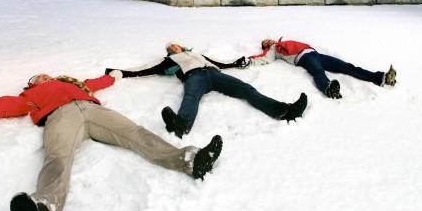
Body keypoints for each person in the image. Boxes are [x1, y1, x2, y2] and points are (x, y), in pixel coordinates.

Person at [0, 73, 223, 211]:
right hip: (60, 117)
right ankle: (44, 207)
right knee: (57, 157)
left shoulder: (72, 83)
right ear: (31, 85)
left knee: (137, 134)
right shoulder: (28, 97)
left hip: (95, 111)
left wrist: (114, 76)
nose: (42, 77)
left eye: (44, 74)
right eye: (36, 78)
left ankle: (190, 159)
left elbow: (97, 82)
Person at [105, 42, 308, 139]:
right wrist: (120, 72)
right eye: (170, 48)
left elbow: (219, 63)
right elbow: (145, 69)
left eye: (175, 46)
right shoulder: (169, 61)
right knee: (191, 95)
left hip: (214, 73)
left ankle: (283, 110)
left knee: (246, 89)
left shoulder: (199, 55)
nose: (173, 48)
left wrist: (236, 62)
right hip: (195, 77)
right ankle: (181, 124)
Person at [249, 37, 397, 99]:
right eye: (266, 43)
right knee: (318, 72)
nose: (269, 41)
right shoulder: (274, 49)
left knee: (347, 67)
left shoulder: (284, 41)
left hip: (316, 54)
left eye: (269, 40)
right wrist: (248, 60)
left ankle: (381, 78)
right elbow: (263, 58)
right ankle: (327, 88)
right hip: (304, 58)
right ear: (266, 46)